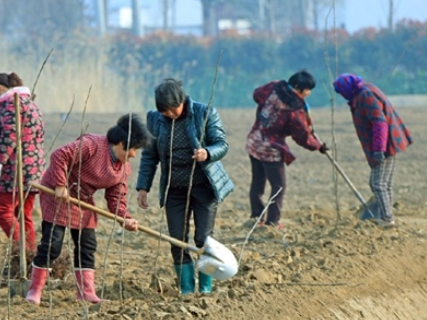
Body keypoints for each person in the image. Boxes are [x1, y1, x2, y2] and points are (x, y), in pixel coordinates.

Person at [25, 114, 152, 305]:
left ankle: (86, 292)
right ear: (120, 143)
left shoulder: (123, 168)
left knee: (87, 245)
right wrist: (60, 185)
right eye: (133, 148)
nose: (134, 154)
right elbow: (59, 155)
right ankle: (35, 291)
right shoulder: (92, 144)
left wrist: (124, 218)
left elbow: (116, 198)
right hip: (56, 193)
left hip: (83, 200)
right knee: (53, 245)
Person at [136, 79, 234, 295]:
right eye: (165, 112)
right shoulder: (155, 120)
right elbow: (150, 155)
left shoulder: (204, 112)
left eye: (173, 110)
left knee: (203, 240)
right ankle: (187, 290)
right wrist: (143, 186)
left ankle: (205, 289)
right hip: (174, 189)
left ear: (181, 101)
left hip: (204, 187)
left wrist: (207, 153)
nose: (169, 114)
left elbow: (222, 143)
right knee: (177, 241)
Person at [245, 70, 328, 229]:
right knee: (279, 186)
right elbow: (303, 136)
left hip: (254, 141)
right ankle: (272, 222)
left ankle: (257, 215)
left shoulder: (273, 86)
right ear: (299, 88)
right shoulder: (294, 110)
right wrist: (319, 146)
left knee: (257, 183)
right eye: (308, 90)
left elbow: (257, 95)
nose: (309, 93)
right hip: (270, 149)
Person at [333, 74, 412, 227]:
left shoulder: (366, 96)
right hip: (386, 143)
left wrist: (378, 150)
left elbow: (379, 123)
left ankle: (387, 219)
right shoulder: (363, 92)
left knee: (378, 183)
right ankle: (386, 216)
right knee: (384, 182)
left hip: (385, 144)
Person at [0, 72, 44, 251]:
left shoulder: (11, 104)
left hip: (17, 168)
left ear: (0, 88)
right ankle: (32, 256)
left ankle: (24, 252)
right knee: (23, 214)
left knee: (1, 209)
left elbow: (11, 134)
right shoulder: (30, 104)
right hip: (34, 169)